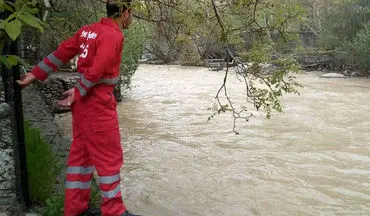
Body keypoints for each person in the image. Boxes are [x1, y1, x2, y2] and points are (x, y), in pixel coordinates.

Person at [17, 1, 141, 216]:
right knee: (109, 158)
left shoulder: (87, 31)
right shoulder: (113, 35)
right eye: (131, 14)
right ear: (124, 12)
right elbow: (97, 69)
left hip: (83, 107)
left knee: (80, 157)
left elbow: (61, 53)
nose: (131, 18)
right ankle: (114, 211)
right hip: (98, 103)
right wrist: (79, 90)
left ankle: (74, 209)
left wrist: (35, 74)